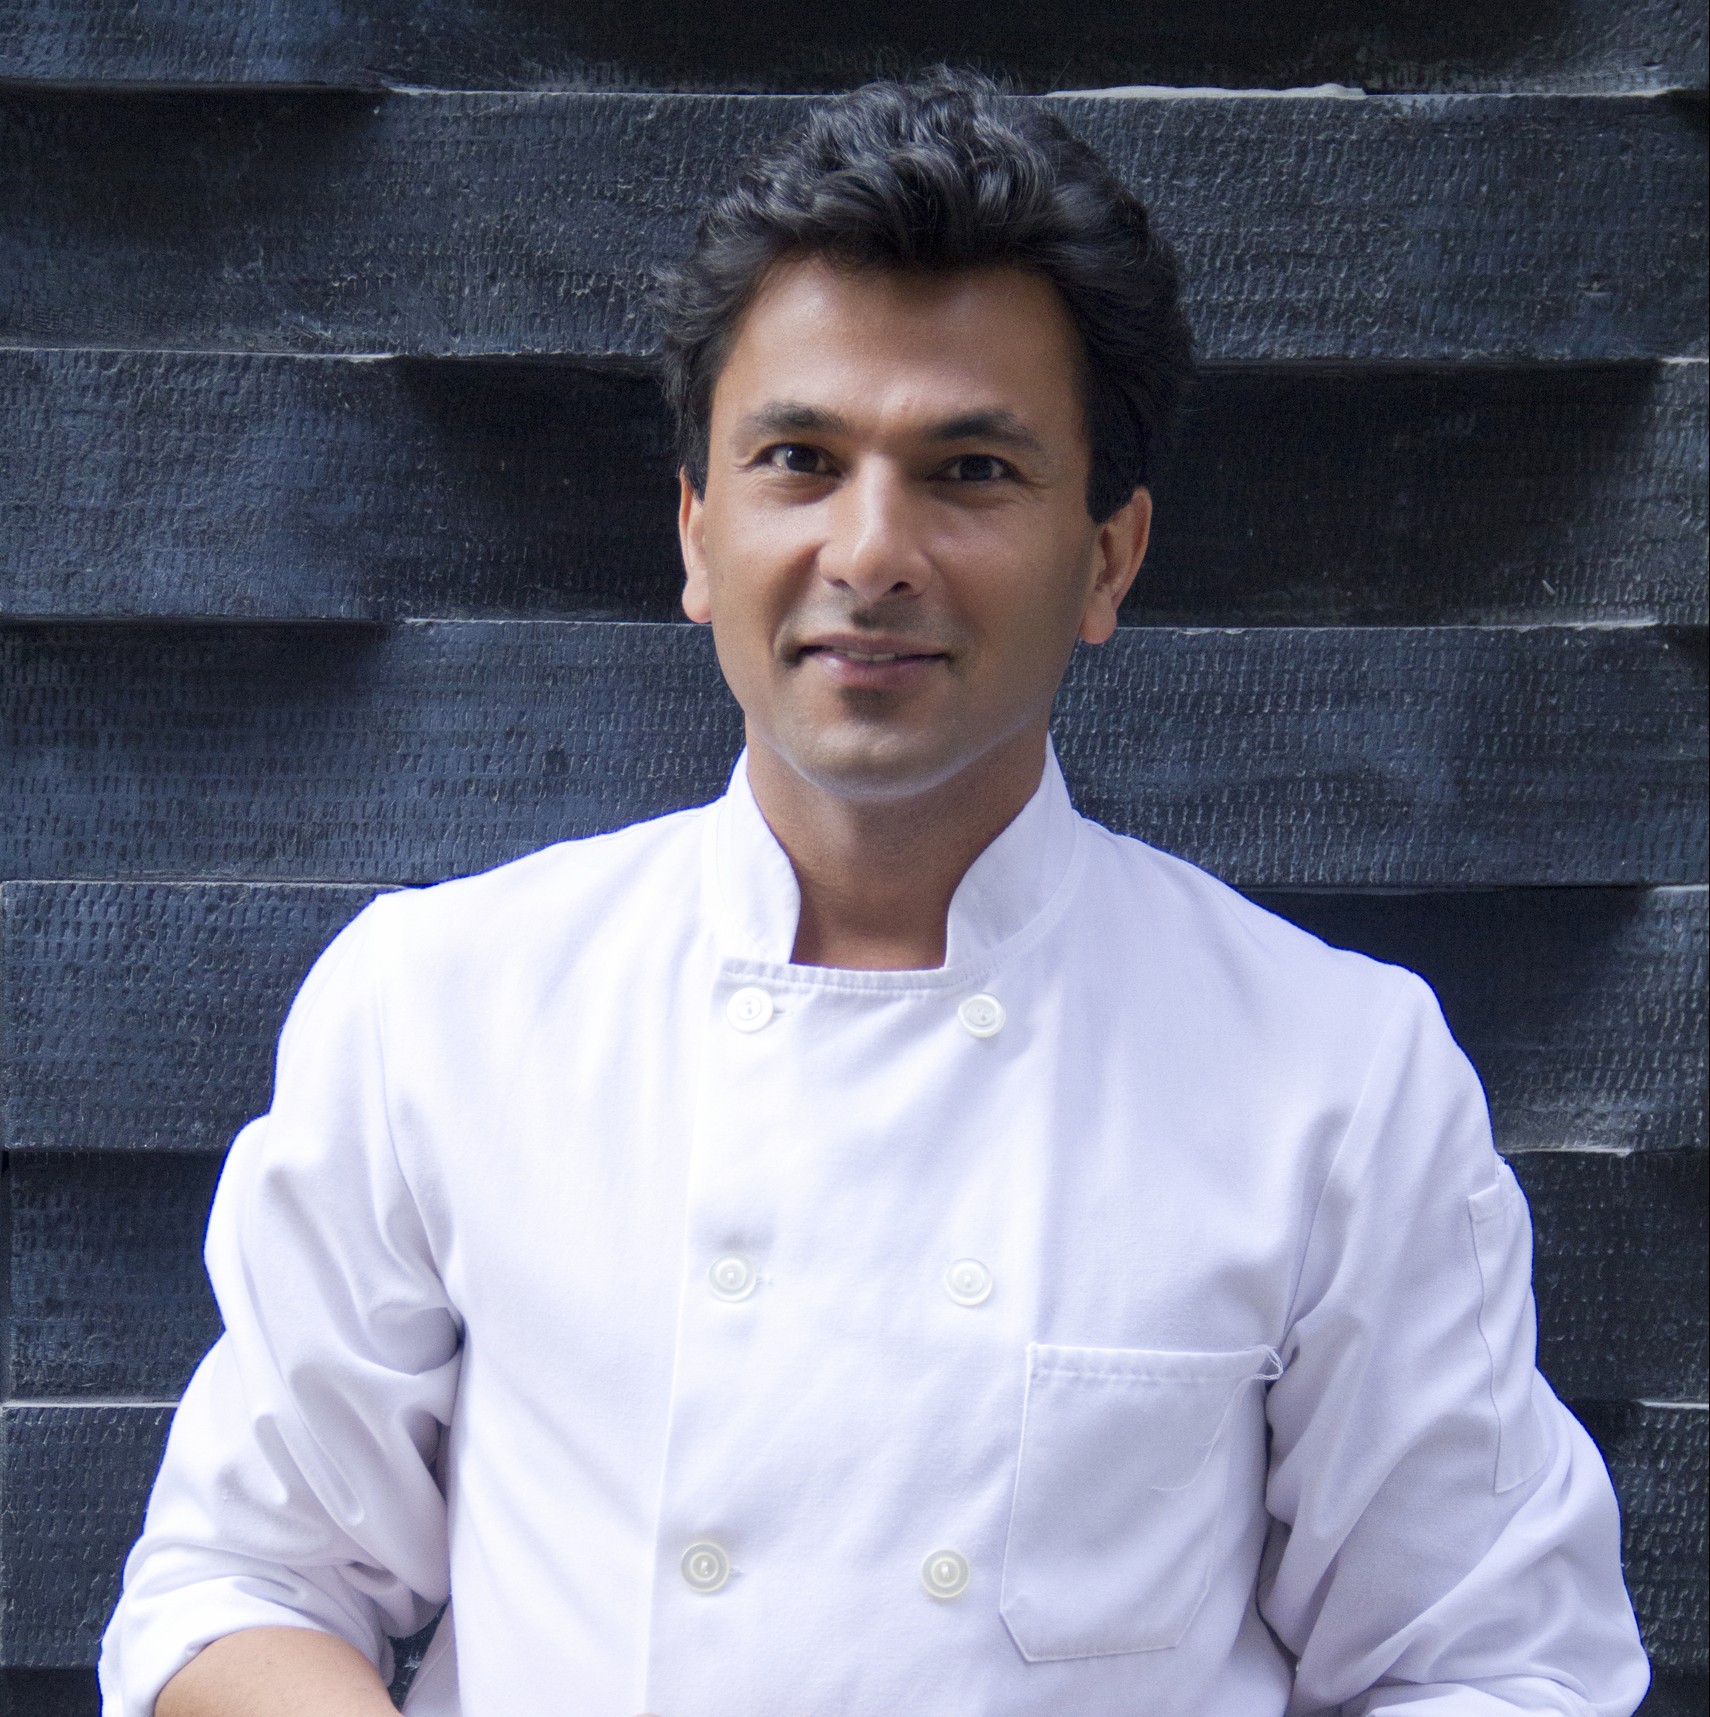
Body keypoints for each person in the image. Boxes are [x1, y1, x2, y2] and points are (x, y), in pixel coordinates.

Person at [103, 71, 1647, 1717]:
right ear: (697, 531)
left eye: (969, 469)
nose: (869, 552)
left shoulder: (1332, 1074)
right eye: (798, 458)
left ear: (1107, 557)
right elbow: (241, 1583)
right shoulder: (443, 1006)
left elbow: (1497, 1663)